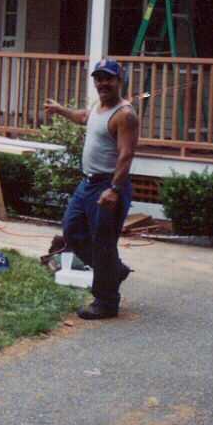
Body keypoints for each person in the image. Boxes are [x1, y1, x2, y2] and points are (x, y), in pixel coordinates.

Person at [45, 58, 140, 320]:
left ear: (119, 81)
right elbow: (84, 117)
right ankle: (114, 270)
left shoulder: (125, 115)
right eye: (98, 78)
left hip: (107, 185)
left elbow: (126, 155)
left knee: (103, 244)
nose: (102, 83)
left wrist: (114, 189)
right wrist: (62, 110)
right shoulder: (99, 106)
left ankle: (106, 302)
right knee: (72, 231)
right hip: (87, 183)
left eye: (108, 78)